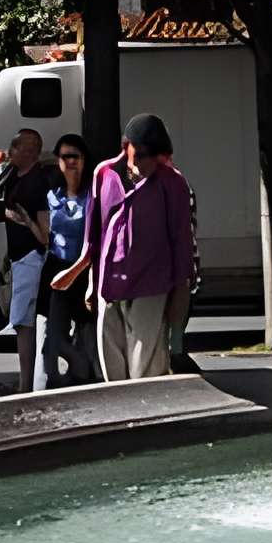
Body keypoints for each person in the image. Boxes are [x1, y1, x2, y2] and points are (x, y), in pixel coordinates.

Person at [85, 113, 194, 382]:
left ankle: (150, 421)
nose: (148, 164)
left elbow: (181, 240)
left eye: (155, 157)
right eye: (143, 154)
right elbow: (94, 234)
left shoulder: (172, 182)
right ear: (127, 146)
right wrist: (90, 281)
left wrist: (181, 289)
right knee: (112, 370)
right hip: (109, 287)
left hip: (151, 287)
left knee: (145, 371)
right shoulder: (104, 173)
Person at [0, 126, 61, 393]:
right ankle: (30, 380)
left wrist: (26, 221)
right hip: (18, 259)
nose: (9, 152)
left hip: (30, 259)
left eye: (15, 147)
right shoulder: (13, 177)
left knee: (25, 323)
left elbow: (45, 234)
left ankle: (27, 384)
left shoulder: (36, 183)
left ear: (29, 151)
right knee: (24, 322)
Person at [35, 134, 96, 389]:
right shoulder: (52, 195)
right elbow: (45, 234)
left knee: (87, 332)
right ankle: (53, 381)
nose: (70, 162)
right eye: (64, 156)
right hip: (58, 269)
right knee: (53, 335)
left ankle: (86, 377)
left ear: (84, 160)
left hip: (85, 269)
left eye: (75, 156)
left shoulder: (93, 195)